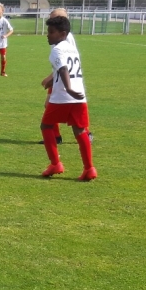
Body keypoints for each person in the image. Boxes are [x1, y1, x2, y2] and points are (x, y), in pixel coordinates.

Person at [40, 12, 96, 181]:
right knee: (80, 131)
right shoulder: (72, 48)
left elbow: (64, 69)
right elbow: (64, 70)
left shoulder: (56, 50)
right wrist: (53, 81)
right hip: (80, 96)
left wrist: (68, 88)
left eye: (51, 32)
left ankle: (55, 163)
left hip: (62, 97)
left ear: (62, 34)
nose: (48, 35)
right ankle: (89, 168)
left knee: (46, 126)